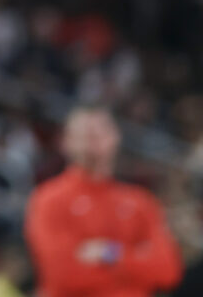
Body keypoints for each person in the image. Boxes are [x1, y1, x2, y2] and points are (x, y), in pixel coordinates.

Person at [26, 107, 181, 297]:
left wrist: (109, 253)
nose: (93, 140)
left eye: (100, 131)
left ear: (116, 136)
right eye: (85, 134)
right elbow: (63, 275)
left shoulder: (140, 201)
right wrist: (135, 267)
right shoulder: (47, 199)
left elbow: (167, 272)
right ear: (65, 142)